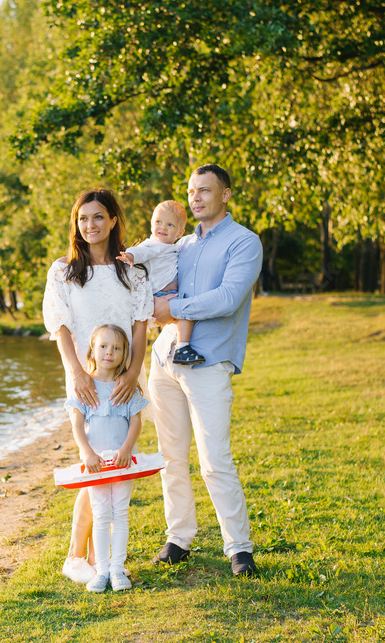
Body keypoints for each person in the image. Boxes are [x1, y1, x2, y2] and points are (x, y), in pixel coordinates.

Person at [148, 164, 263, 577]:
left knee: (215, 459)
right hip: (163, 361)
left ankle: (239, 549)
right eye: (192, 191)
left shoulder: (244, 243)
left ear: (226, 195)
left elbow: (228, 298)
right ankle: (179, 538)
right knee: (171, 457)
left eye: (205, 191)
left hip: (209, 362)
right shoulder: (182, 245)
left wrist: (172, 309)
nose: (195, 198)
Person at [42, 187, 153, 584]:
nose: (90, 225)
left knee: (117, 468)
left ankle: (100, 558)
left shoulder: (134, 273)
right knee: (94, 468)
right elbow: (60, 327)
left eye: (98, 217)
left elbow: (141, 329)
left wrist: (132, 375)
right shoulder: (64, 271)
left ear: (112, 221)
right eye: (83, 218)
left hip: (123, 379)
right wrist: (76, 373)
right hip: (85, 379)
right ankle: (76, 556)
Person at [65, 324, 147, 592]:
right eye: (103, 346)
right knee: (100, 514)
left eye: (116, 348)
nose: (109, 352)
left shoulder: (126, 387)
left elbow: (136, 421)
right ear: (92, 349)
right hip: (96, 464)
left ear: (125, 354)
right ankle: (101, 570)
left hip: (123, 461)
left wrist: (126, 449)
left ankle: (117, 568)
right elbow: (77, 425)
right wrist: (87, 452)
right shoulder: (85, 387)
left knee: (120, 514)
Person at [117, 200, 205, 365]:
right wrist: (130, 255)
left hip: (169, 294)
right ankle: (182, 347)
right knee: (186, 309)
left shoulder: (175, 247)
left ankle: (180, 346)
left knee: (186, 311)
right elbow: (141, 251)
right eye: (158, 222)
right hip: (159, 294)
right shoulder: (153, 245)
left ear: (179, 232)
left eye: (170, 225)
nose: (162, 227)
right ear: (151, 224)